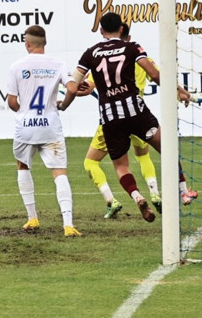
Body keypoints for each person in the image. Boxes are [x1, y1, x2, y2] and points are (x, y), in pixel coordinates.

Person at [73, 12, 192, 223]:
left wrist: (71, 96)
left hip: (110, 118)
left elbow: (79, 84)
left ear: (101, 31)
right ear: (121, 28)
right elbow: (155, 75)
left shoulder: (92, 53)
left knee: (120, 166)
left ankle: (137, 196)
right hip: (136, 113)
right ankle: (183, 192)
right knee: (166, 150)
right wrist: (179, 90)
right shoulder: (132, 48)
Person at [6, 25, 80, 237]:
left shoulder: (16, 66)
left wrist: (22, 111)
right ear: (44, 43)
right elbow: (73, 89)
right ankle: (68, 224)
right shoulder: (58, 64)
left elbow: (12, 101)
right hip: (50, 124)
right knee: (59, 172)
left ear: (27, 44)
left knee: (23, 166)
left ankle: (32, 218)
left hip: (26, 127)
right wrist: (63, 105)